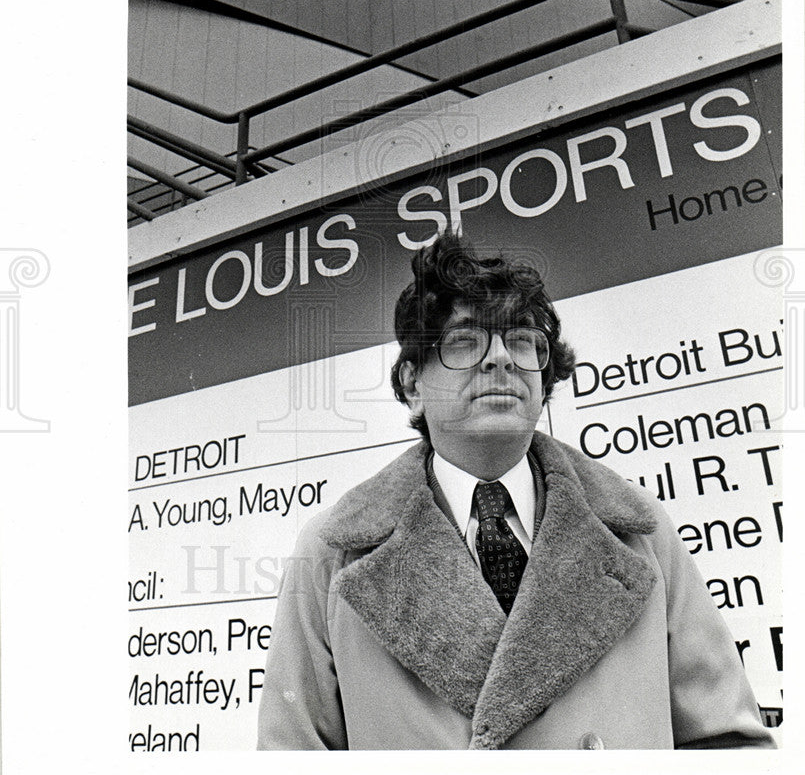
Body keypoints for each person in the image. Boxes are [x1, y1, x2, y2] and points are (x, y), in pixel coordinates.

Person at [257, 233, 774, 750]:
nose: (501, 358)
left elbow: (726, 743)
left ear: (544, 377)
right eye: (465, 340)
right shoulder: (334, 551)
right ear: (413, 382)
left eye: (522, 340)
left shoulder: (642, 532)